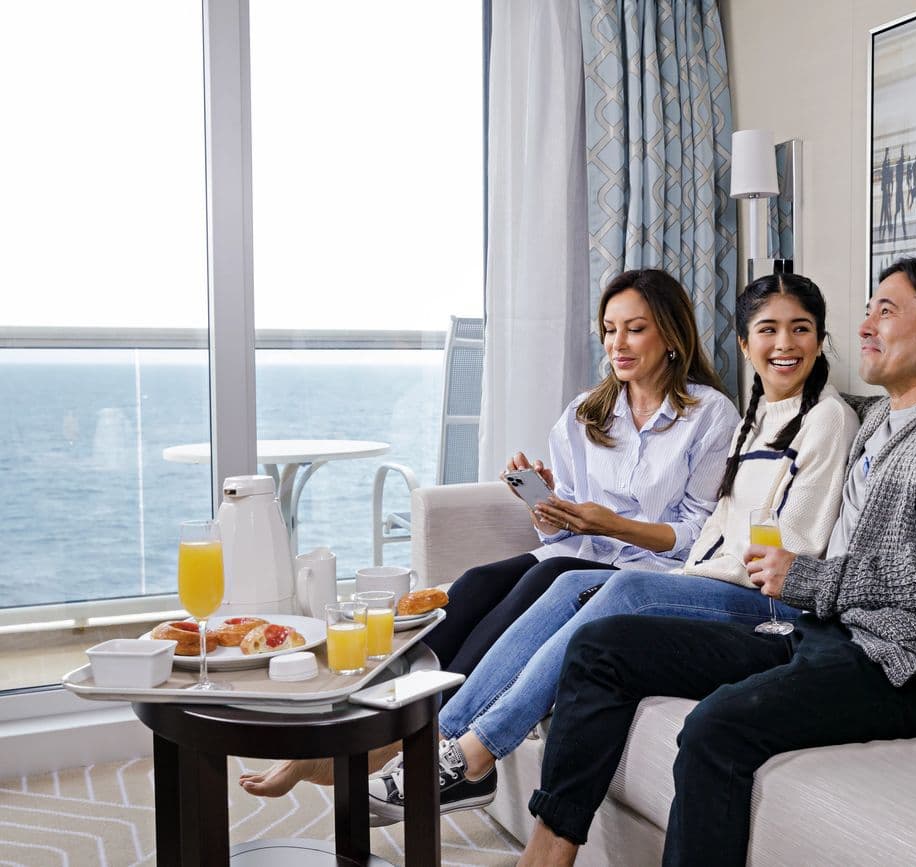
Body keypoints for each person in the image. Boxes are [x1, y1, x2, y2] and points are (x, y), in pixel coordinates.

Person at [516, 256, 916, 867]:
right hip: (832, 635)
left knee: (717, 728)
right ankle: (547, 854)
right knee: (601, 647)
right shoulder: (882, 420)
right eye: (867, 309)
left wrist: (810, 578)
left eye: (886, 311)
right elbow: (793, 414)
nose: (865, 325)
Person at [365, 272, 861, 823]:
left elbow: (791, 547)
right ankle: (443, 741)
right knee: (556, 580)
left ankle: (476, 751)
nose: (785, 344)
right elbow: (723, 524)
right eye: (768, 330)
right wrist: (553, 509)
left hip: (765, 598)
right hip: (703, 576)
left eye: (800, 329)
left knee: (608, 584)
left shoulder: (824, 418)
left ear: (821, 338)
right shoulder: (755, 416)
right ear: (745, 344)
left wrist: (672, 564)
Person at [240, 268, 739, 798]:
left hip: (646, 571)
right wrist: (545, 506)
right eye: (609, 329)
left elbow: (700, 535)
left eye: (635, 329)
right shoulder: (586, 414)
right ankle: (366, 724)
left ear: (671, 334)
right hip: (580, 552)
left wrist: (612, 523)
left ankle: (402, 745)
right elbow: (559, 533)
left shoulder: (710, 415)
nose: (618, 343)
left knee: (532, 587)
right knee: (473, 585)